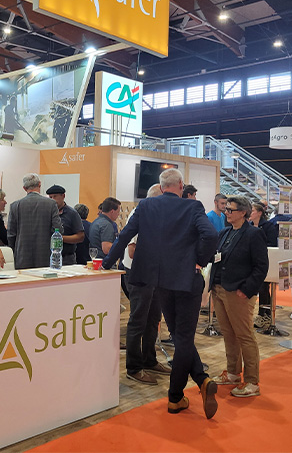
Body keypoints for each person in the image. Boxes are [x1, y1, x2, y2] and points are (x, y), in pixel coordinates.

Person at [103, 168, 219, 419]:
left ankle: (199, 382)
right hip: (187, 280)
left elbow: (124, 236)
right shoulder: (193, 207)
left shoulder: (145, 207)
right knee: (184, 338)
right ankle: (176, 396)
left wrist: (106, 263)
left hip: (160, 282)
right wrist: (199, 259)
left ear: (161, 185)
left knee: (179, 335)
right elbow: (210, 235)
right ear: (179, 186)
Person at [209, 196, 269, 397]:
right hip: (219, 289)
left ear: (243, 212)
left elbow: (261, 267)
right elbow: (217, 257)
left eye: (230, 210)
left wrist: (247, 289)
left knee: (244, 335)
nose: (226, 212)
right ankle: (233, 373)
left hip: (238, 292)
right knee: (229, 334)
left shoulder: (254, 234)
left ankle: (252, 381)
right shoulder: (225, 232)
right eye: (225, 209)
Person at [117, 183, 171, 385]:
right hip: (139, 274)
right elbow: (132, 251)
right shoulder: (138, 215)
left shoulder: (156, 215)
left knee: (153, 318)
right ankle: (134, 367)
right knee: (138, 320)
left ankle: (149, 359)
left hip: (153, 274)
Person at [7, 173, 61, 269]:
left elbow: (11, 234)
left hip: (21, 257)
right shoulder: (51, 204)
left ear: (24, 188)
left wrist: (14, 251)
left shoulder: (15, 206)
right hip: (45, 256)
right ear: (40, 184)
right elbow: (57, 229)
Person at [249, 202, 278, 327]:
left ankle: (264, 314)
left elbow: (272, 243)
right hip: (250, 261)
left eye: (253, 210)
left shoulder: (268, 226)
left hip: (265, 260)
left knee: (264, 287)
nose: (250, 212)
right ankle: (263, 313)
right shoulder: (249, 225)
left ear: (259, 213)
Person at [46, 185, 84, 265]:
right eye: (50, 197)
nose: (52, 200)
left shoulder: (72, 214)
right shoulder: (46, 213)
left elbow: (80, 236)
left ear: (63, 196)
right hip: (48, 257)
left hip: (66, 258)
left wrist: (59, 238)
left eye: (55, 196)